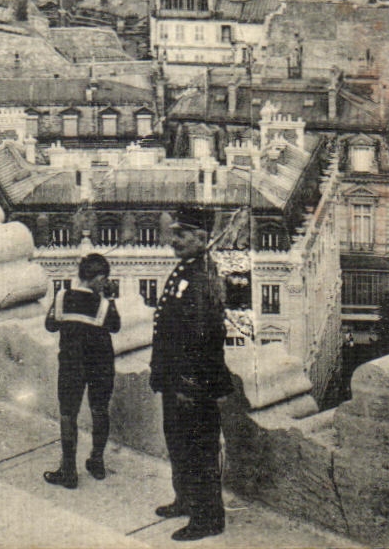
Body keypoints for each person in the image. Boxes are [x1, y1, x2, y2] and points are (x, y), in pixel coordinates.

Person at [150, 206, 233, 541]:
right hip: (177, 378)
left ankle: (207, 518)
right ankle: (185, 500)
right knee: (179, 443)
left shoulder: (200, 276)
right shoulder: (189, 269)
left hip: (192, 382)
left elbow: (202, 337)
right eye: (173, 234)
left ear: (200, 238)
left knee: (198, 450)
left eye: (181, 235)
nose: (174, 240)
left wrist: (188, 383)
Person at [43, 252, 122, 489]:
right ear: (98, 278)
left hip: (71, 365)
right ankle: (96, 461)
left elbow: (50, 325)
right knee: (99, 411)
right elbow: (115, 326)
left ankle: (68, 471)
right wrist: (111, 298)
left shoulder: (62, 296)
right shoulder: (104, 304)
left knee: (68, 415)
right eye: (104, 279)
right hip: (101, 366)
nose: (105, 283)